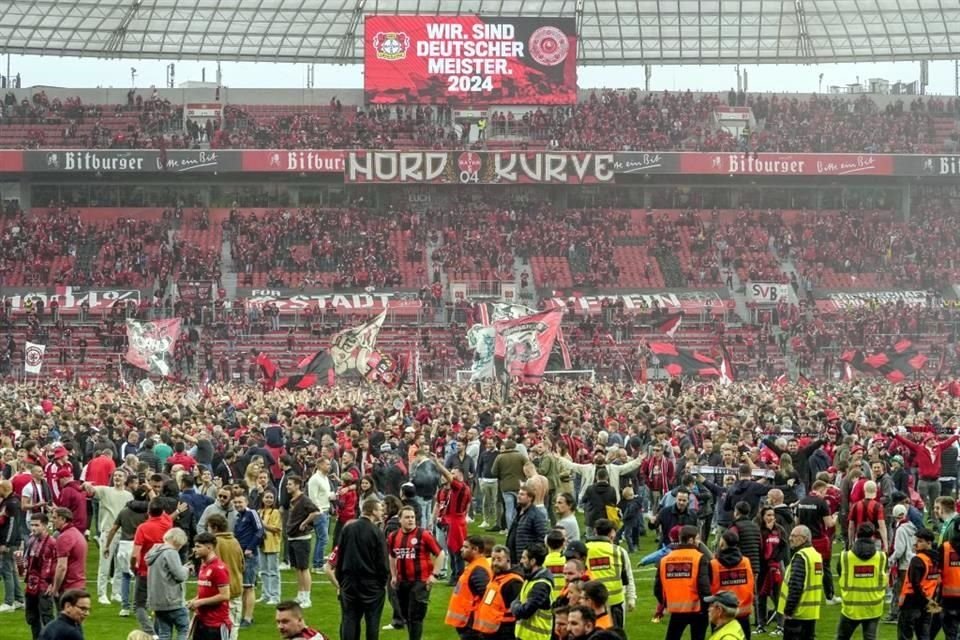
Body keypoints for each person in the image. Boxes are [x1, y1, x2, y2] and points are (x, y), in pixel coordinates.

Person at [388, 504, 445, 640]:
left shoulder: (423, 534)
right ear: (400, 520)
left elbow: (440, 553)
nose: (411, 520)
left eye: (412, 517)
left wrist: (434, 575)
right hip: (402, 581)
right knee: (405, 614)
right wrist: (394, 575)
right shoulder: (393, 536)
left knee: (416, 616)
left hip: (420, 581)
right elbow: (392, 556)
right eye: (407, 517)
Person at [336, 496, 390, 640]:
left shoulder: (348, 529)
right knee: (372, 622)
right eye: (380, 509)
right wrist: (382, 583)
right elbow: (383, 562)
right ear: (372, 511)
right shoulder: (377, 532)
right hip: (371, 584)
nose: (382, 513)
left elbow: (340, 556)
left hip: (349, 582)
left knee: (349, 619)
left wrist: (341, 581)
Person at [85, 469, 133, 606]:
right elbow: (91, 490)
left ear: (125, 479)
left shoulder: (129, 496)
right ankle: (102, 594)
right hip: (107, 531)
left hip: (123, 533)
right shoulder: (105, 490)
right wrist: (87, 485)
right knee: (105, 564)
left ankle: (116, 592)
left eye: (120, 476)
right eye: (115, 476)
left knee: (120, 564)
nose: (117, 478)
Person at [655, 524, 711, 640]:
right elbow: (704, 587)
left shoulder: (665, 560)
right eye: (697, 538)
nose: (699, 542)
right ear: (691, 540)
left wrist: (666, 603)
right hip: (698, 610)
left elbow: (658, 588)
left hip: (676, 611)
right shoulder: (700, 558)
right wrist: (706, 607)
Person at [837, 523, 887, 640]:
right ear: (873, 537)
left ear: (856, 536)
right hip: (873, 607)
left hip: (851, 607)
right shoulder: (881, 557)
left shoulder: (845, 557)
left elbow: (840, 573)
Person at [131, 498, 172, 634]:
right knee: (158, 604)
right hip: (163, 572)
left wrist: (133, 567)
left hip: (145, 571)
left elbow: (134, 554)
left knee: (139, 605)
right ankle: (157, 632)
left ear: (148, 511)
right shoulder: (168, 523)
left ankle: (151, 634)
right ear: (162, 511)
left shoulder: (142, 528)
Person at [585, 518, 635, 627]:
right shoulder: (619, 551)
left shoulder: (584, 550)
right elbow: (628, 577)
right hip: (615, 603)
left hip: (590, 604)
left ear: (595, 531)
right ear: (612, 533)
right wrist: (632, 598)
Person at [778, 525, 823, 640]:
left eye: (794, 536)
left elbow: (796, 586)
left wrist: (788, 610)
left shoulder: (801, 557)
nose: (790, 538)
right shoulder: (816, 555)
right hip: (811, 613)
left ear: (804, 539)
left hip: (797, 614)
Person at [145, 527, 190, 640]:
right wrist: (186, 569)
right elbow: (180, 576)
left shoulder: (154, 552)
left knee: (164, 633)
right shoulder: (171, 552)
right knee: (183, 629)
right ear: (177, 541)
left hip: (158, 603)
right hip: (172, 601)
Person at [472, 544, 523, 640]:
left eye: (499, 560)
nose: (495, 563)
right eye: (493, 559)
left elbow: (516, 611)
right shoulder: (496, 578)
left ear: (508, 560)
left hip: (502, 632)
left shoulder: (513, 582)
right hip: (489, 632)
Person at [444, 534, 492, 637]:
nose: (461, 549)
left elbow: (486, 596)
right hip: (468, 623)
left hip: (471, 624)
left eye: (466, 547)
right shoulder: (475, 566)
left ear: (475, 549)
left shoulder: (479, 570)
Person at [19, 513, 57, 640]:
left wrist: (52, 583)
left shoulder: (52, 543)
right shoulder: (31, 541)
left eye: (36, 525)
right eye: (31, 525)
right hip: (31, 584)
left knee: (47, 617)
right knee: (31, 617)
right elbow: (27, 562)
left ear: (45, 526)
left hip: (44, 585)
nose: (33, 528)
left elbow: (55, 564)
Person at [710, 530, 754, 639]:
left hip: (722, 611)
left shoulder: (714, 564)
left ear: (722, 543)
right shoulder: (746, 561)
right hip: (742, 609)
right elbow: (752, 583)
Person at [207, 513, 244, 640]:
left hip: (219, 591)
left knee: (219, 627)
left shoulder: (213, 544)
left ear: (215, 528)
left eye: (209, 527)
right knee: (233, 626)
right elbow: (242, 565)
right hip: (235, 588)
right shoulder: (235, 541)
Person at [189, 532, 232, 640]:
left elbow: (225, 595)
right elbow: (206, 591)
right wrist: (194, 600)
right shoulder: (204, 565)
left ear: (209, 547)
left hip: (216, 624)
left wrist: (200, 602)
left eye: (198, 546)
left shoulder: (219, 568)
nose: (195, 549)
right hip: (201, 621)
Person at [286, 475, 320, 608]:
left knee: (304, 568)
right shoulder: (293, 500)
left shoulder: (304, 499)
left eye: (290, 484)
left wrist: (304, 523)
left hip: (302, 538)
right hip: (292, 537)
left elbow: (316, 512)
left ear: (297, 485)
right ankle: (300, 594)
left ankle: (307, 597)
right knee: (297, 568)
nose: (287, 486)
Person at [898, 528, 938, 640]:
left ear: (929, 543)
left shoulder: (918, 560)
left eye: (920, 541)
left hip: (912, 602)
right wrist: (929, 600)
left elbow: (914, 583)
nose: (916, 543)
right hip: (927, 602)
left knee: (905, 636)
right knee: (924, 635)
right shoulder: (936, 560)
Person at [510, 542, 554, 640]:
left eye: (524, 558)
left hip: (536, 637)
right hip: (525, 635)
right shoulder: (530, 578)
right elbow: (517, 600)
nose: (521, 561)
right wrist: (516, 606)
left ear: (533, 561)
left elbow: (525, 611)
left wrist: (515, 607)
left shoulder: (541, 585)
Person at [233, 493, 264, 627]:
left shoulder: (251, 513)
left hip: (249, 556)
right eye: (236, 502)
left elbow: (260, 531)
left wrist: (250, 548)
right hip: (239, 555)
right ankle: (243, 617)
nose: (238, 504)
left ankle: (248, 618)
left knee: (248, 587)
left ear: (246, 502)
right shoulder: (239, 517)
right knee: (243, 587)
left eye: (240, 502)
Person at [887, 503, 918, 624]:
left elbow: (899, 550)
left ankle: (897, 614)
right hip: (912, 562)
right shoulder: (912, 526)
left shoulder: (900, 529)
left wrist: (891, 559)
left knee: (899, 590)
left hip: (903, 564)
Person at [507, 484, 549, 565]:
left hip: (525, 559)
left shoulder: (536, 515)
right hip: (513, 558)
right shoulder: (518, 512)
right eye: (519, 494)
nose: (518, 496)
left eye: (522, 494)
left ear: (530, 498)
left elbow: (542, 537)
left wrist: (530, 553)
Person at [51, 506, 87, 596]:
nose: (52, 520)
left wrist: (55, 589)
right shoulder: (76, 533)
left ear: (63, 519)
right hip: (78, 584)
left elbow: (62, 567)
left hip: (69, 586)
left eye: (55, 518)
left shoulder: (64, 537)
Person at [0, 479, 23, 612]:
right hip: (12, 541)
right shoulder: (10, 501)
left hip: (9, 542)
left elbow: (12, 525)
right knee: (12, 571)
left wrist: (6, 543)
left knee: (6, 570)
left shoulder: (11, 504)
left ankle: (9, 602)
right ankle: (19, 599)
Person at [259, 490, 282, 606]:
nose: (268, 499)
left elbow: (277, 528)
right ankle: (265, 594)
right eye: (266, 497)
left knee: (273, 571)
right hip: (261, 544)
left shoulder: (276, 512)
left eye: (271, 498)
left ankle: (275, 596)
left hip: (272, 543)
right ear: (262, 499)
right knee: (263, 571)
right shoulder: (260, 511)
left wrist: (263, 525)